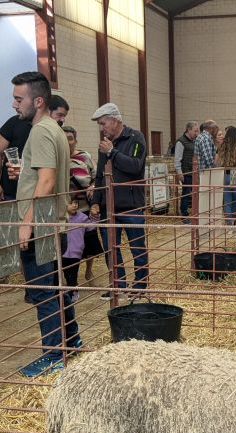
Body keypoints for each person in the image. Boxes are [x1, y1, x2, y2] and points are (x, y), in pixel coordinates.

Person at [5, 72, 81, 377]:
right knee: (56, 287)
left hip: (41, 226)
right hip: (53, 223)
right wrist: (25, 172)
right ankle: (72, 340)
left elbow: (47, 182)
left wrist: (27, 222)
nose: (14, 104)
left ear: (37, 101)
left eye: (18, 99)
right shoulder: (54, 129)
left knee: (43, 292)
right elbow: (44, 174)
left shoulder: (39, 132)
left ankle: (53, 356)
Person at [89, 102, 148, 297]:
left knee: (137, 247)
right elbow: (100, 175)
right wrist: (95, 201)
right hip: (108, 207)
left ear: (114, 121)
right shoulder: (104, 145)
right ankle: (118, 284)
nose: (101, 128)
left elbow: (135, 166)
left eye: (103, 123)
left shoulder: (136, 138)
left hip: (131, 206)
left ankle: (140, 285)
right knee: (111, 249)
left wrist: (112, 153)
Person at [62, 125, 101, 282]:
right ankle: (71, 277)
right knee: (71, 245)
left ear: (75, 141)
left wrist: (93, 186)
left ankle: (89, 271)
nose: (67, 142)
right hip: (67, 209)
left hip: (85, 206)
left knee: (90, 242)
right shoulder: (56, 158)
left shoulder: (85, 157)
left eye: (70, 138)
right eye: (64, 138)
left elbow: (97, 177)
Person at [172, 121, 198, 221]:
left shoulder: (193, 141)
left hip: (193, 172)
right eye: (195, 131)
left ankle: (191, 212)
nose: (196, 133)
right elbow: (177, 159)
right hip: (186, 172)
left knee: (191, 193)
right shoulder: (180, 142)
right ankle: (184, 215)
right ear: (189, 130)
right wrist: (180, 173)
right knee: (186, 193)